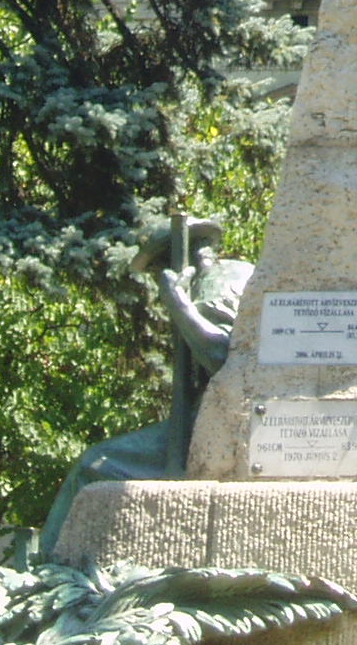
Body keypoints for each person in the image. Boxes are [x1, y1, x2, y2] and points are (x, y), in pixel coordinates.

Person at [36, 217, 252, 558]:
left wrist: (177, 302)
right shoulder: (243, 272)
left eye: (154, 270)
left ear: (171, 261)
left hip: (216, 427)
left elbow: (223, 357)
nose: (154, 279)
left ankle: (50, 567)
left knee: (93, 466)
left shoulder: (214, 285)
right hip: (218, 420)